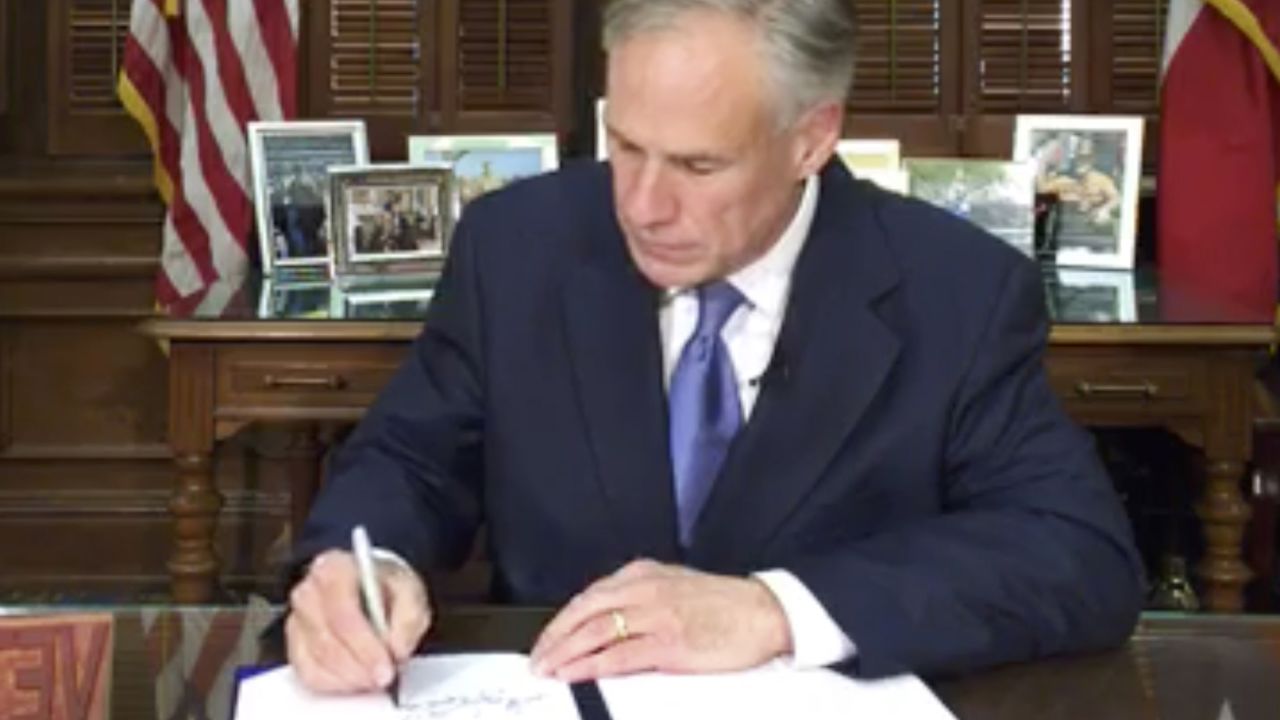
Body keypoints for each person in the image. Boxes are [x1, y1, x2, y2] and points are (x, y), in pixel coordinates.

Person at [285, 0, 1144, 695]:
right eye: (623, 146)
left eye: (698, 168)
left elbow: (1075, 555)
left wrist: (775, 609)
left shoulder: (956, 291)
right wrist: (364, 568)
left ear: (812, 137)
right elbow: (410, 460)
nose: (644, 206)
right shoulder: (517, 246)